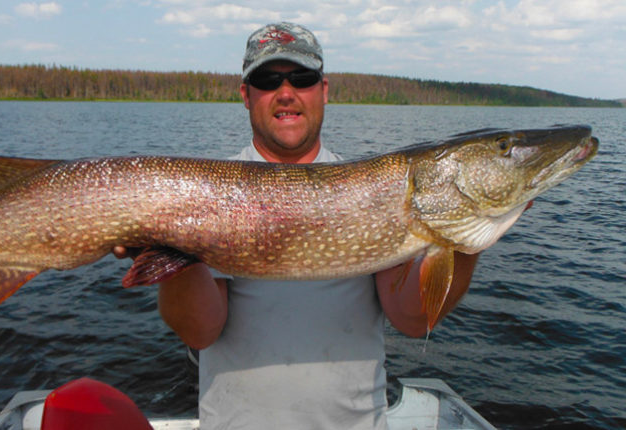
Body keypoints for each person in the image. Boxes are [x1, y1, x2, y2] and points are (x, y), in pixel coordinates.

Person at [117, 22, 480, 429]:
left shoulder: (372, 190)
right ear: (246, 94)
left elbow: (413, 320)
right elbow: (201, 332)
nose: (286, 93)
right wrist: (167, 249)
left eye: (302, 78)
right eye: (267, 80)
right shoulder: (209, 195)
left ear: (323, 90)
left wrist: (465, 236)